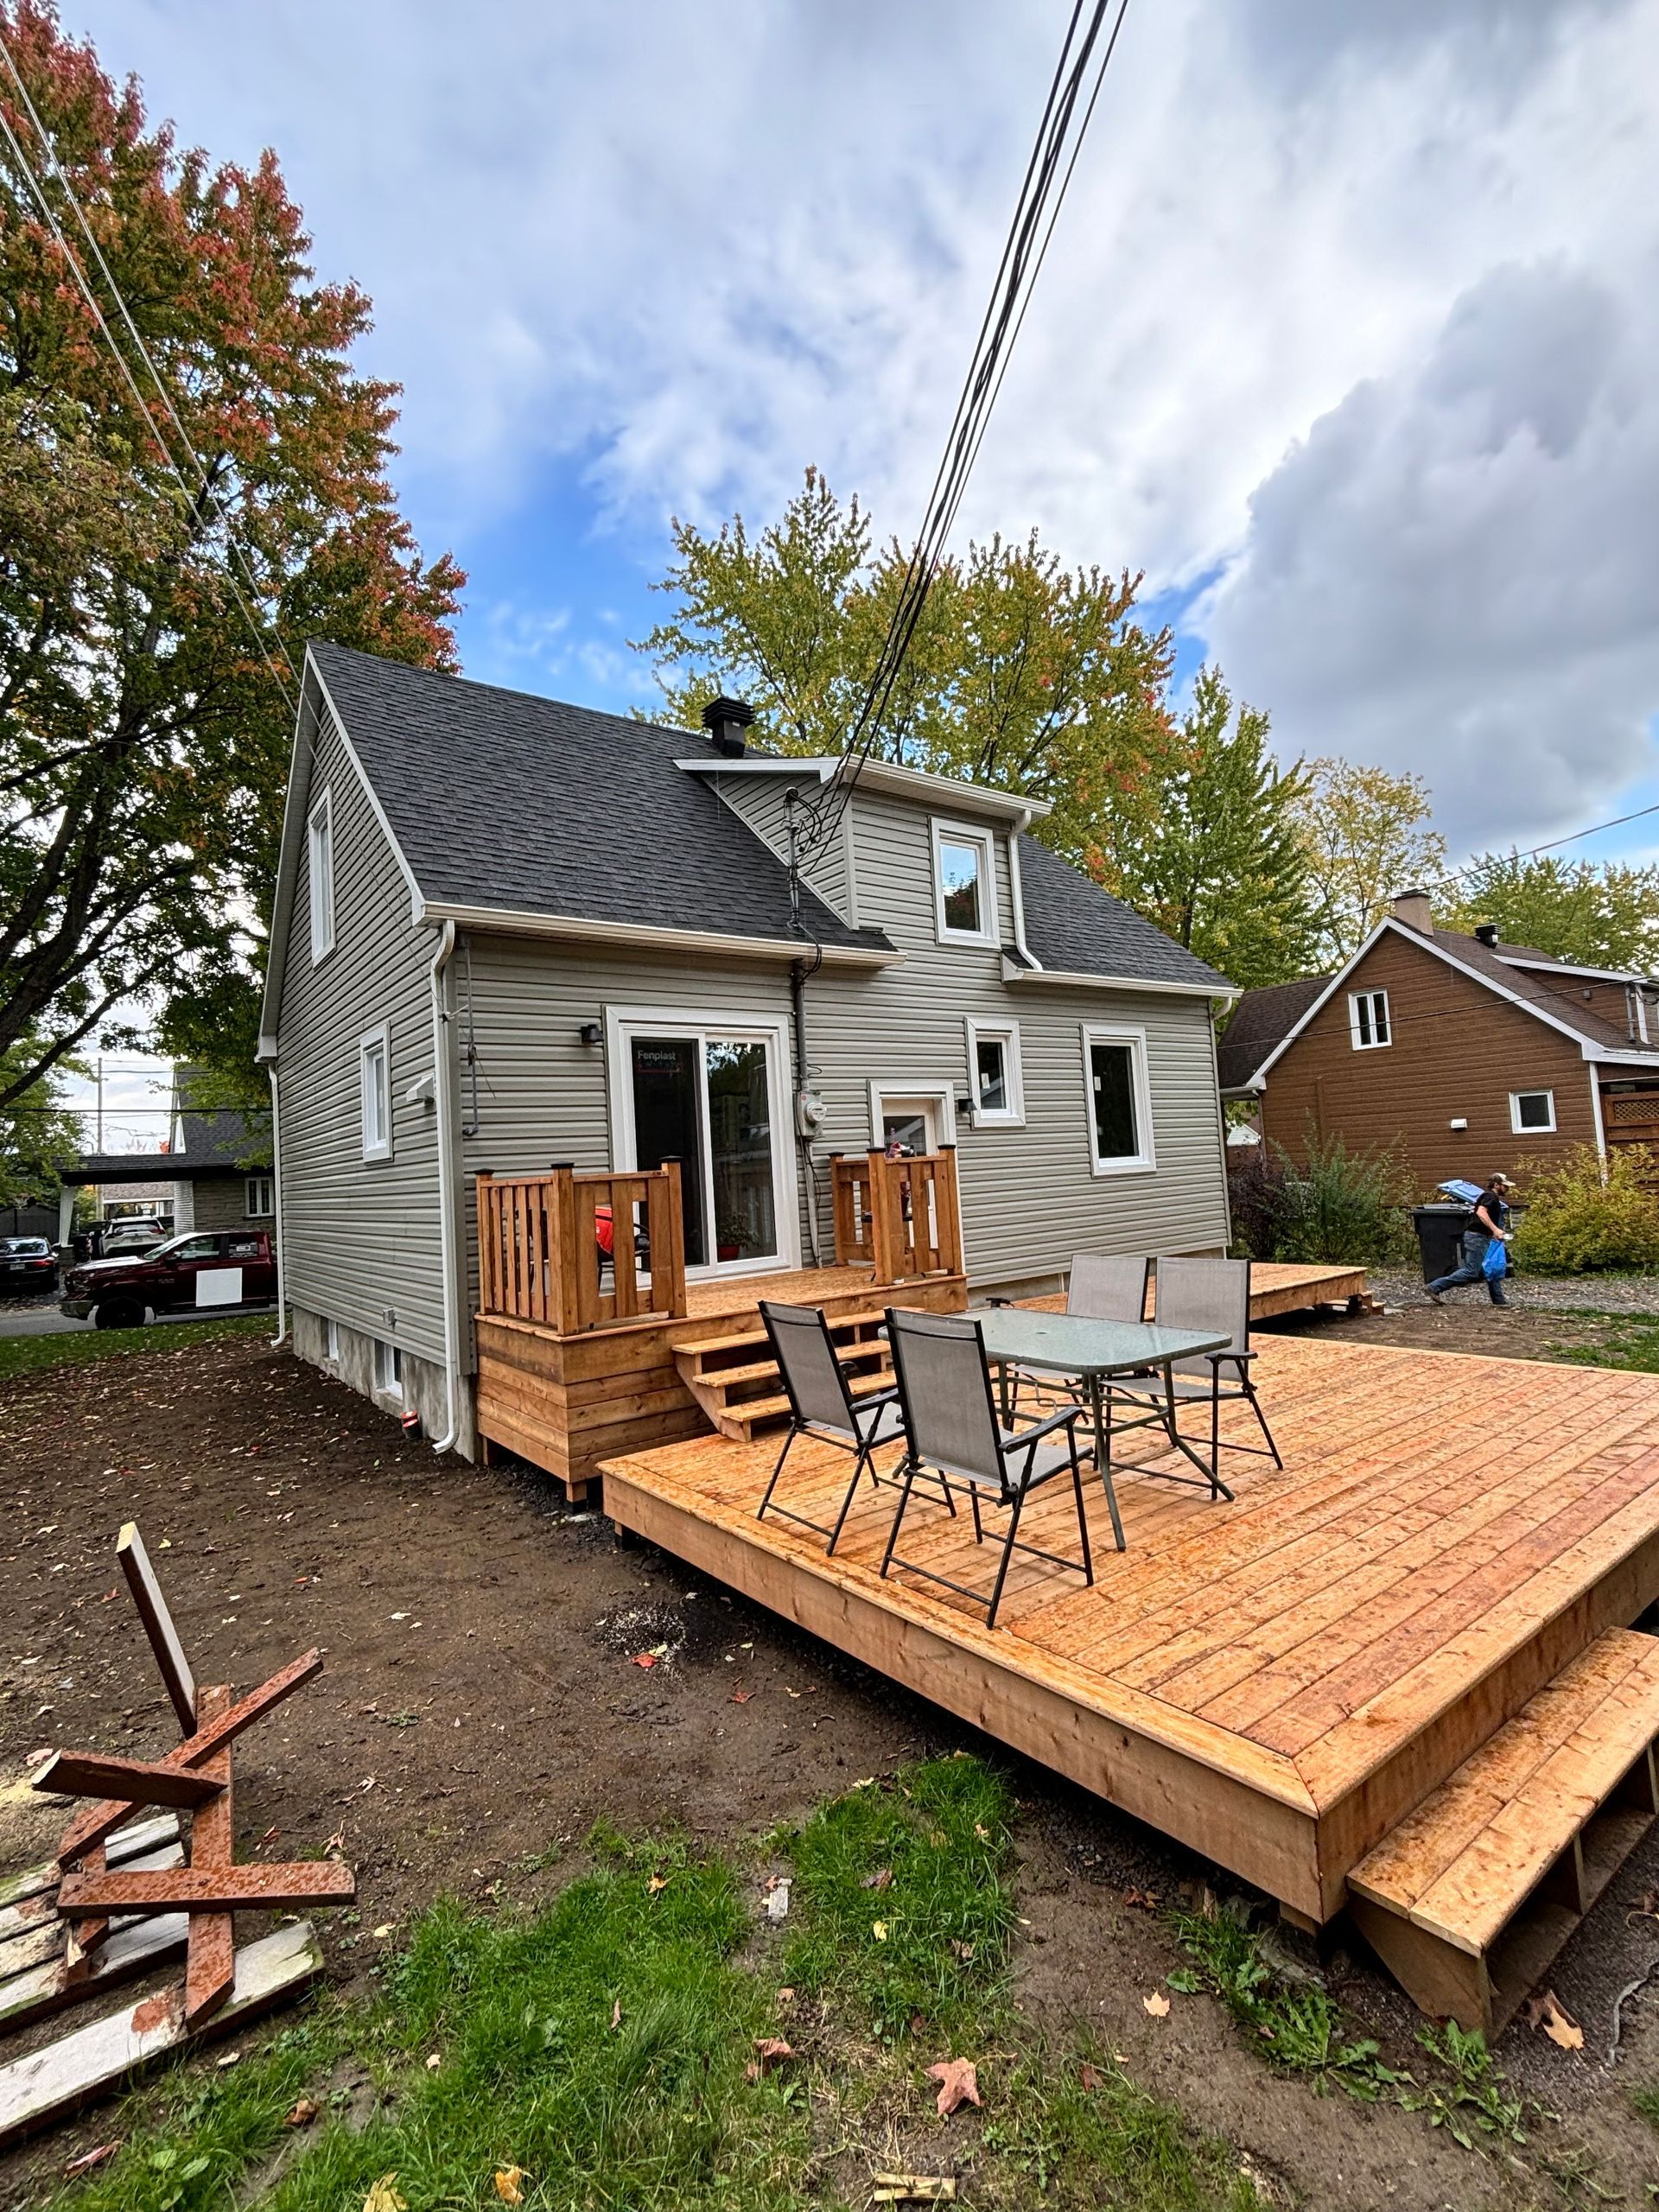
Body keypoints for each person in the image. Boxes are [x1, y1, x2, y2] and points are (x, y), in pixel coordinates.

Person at [1426, 1173, 1515, 1306]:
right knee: (1471, 1271)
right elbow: (1481, 1212)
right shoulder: (1490, 1196)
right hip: (1477, 1238)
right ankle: (1434, 1287)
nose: (1507, 1189)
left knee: (1490, 1268)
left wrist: (1494, 1232)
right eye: (1505, 1186)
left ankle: (1499, 1301)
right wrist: (1495, 1229)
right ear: (1497, 1185)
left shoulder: (1491, 1197)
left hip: (1482, 1237)